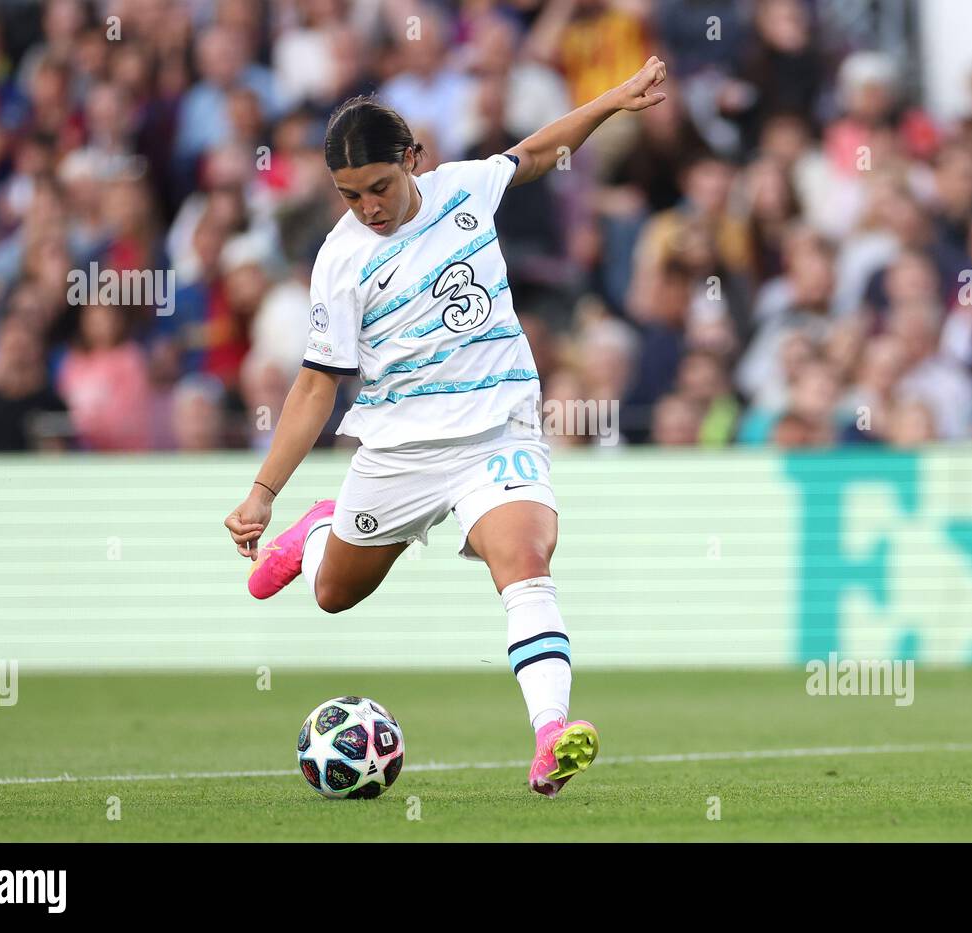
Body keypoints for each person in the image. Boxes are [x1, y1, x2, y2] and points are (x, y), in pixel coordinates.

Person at [224, 57, 670, 798]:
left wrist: (613, 102)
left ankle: (551, 733)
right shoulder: (339, 261)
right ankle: (318, 533)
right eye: (349, 194)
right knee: (334, 594)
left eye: (379, 187)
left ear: (412, 161)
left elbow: (537, 150)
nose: (367, 206)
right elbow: (313, 384)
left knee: (524, 559)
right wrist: (264, 491)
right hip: (399, 447)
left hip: (498, 433)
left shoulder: (465, 187)